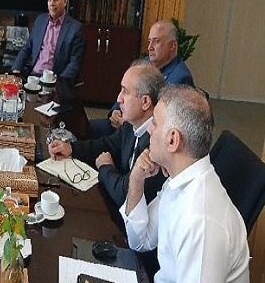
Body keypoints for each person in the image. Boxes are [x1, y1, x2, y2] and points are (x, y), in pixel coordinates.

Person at [121, 85, 249, 282]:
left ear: (172, 140)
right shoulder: (179, 180)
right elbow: (140, 241)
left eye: (154, 122)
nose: (149, 129)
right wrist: (136, 180)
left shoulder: (200, 222)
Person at [48, 61, 166, 207]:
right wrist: (71, 148)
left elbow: (126, 196)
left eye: (125, 91)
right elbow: (107, 144)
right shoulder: (131, 124)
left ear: (145, 102)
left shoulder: (156, 144)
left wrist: (105, 167)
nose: (119, 99)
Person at [90, 20, 194, 138]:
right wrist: (115, 111)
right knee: (86, 128)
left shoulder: (181, 77)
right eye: (149, 41)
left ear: (172, 46)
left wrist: (128, 123)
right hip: (122, 123)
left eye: (156, 41)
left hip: (145, 135)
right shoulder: (144, 63)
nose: (149, 47)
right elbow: (127, 89)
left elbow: (165, 120)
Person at [11, 0, 85, 84]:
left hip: (55, 81)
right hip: (33, 76)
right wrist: (16, 68)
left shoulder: (75, 28)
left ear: (65, 1)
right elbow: (27, 47)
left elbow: (74, 63)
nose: (52, 3)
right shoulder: (40, 21)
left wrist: (60, 83)